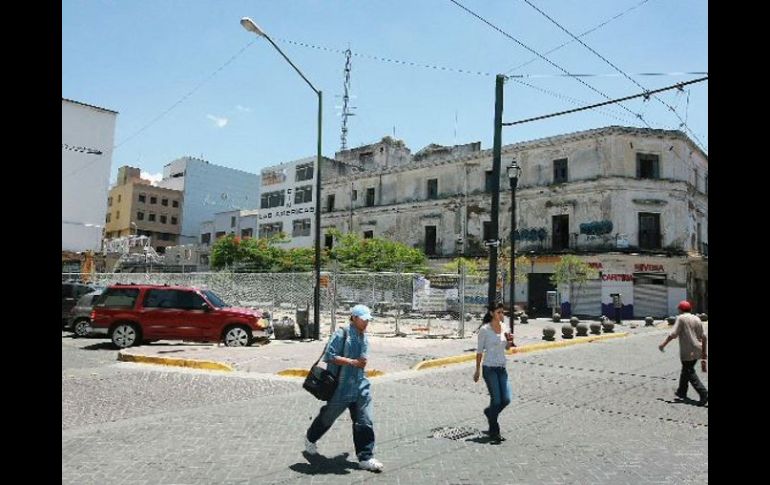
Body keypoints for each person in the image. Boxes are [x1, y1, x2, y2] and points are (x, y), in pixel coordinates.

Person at [304, 304, 384, 472]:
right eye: (363, 320)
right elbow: (329, 356)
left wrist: (360, 364)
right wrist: (352, 362)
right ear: (354, 318)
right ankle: (310, 438)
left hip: (361, 386)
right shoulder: (342, 333)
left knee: (365, 420)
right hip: (341, 387)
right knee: (328, 417)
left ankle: (365, 457)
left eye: (368, 320)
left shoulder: (364, 337)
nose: (366, 323)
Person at [473, 302, 515, 442]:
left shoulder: (504, 327)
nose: (501, 315)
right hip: (489, 368)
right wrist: (477, 370)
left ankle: (489, 413)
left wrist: (510, 342)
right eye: (498, 312)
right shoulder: (485, 330)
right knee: (496, 400)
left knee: (506, 399)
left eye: (502, 312)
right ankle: (494, 430)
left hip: (502, 368)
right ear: (492, 313)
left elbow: (508, 348)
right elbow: (479, 352)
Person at [658, 300, 708, 406]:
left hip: (687, 350)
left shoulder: (681, 318)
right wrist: (704, 352)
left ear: (680, 309)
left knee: (689, 372)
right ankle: (681, 391)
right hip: (698, 349)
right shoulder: (697, 318)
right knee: (685, 370)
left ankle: (704, 393)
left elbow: (673, 334)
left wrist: (663, 344)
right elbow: (704, 336)